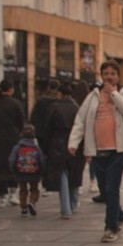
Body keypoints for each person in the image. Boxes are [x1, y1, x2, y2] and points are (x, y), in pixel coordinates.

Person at [69, 60, 123, 243]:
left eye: (113, 74)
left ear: (118, 76)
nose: (109, 77)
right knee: (104, 189)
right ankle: (119, 213)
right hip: (98, 149)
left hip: (119, 149)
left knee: (111, 188)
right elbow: (81, 120)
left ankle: (111, 227)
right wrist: (73, 143)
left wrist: (113, 94)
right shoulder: (93, 96)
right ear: (101, 76)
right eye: (106, 73)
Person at [0, 81, 26, 208]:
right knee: (13, 163)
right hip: (12, 136)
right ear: (10, 89)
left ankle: (2, 195)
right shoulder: (16, 104)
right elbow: (21, 121)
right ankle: (13, 192)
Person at [45, 83, 82, 219]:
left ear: (60, 94)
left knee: (63, 174)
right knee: (74, 173)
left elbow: (47, 128)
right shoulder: (77, 108)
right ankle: (73, 203)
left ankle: (65, 208)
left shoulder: (54, 107)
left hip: (57, 143)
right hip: (74, 142)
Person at [8, 124, 45, 218]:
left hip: (21, 172)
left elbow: (12, 160)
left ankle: (23, 208)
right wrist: (42, 171)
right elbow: (41, 160)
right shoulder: (36, 147)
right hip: (34, 172)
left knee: (23, 190)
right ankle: (32, 202)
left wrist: (13, 171)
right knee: (34, 189)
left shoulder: (17, 147)